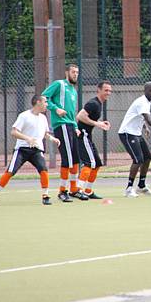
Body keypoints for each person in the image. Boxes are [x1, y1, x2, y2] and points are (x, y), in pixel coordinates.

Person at [0, 95, 60, 206]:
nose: (47, 104)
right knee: (11, 171)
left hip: (36, 150)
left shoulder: (43, 118)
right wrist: (28, 138)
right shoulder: (24, 116)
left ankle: (45, 196)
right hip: (22, 150)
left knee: (43, 170)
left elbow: (45, 134)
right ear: (38, 102)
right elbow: (14, 132)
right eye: (45, 102)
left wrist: (53, 139)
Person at [42, 64, 86, 202]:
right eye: (73, 72)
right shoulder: (59, 84)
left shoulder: (73, 90)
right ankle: (62, 191)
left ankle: (73, 190)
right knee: (67, 159)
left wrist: (75, 126)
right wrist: (56, 109)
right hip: (61, 126)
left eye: (77, 72)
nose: (75, 74)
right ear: (67, 72)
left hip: (71, 127)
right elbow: (44, 97)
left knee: (76, 159)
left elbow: (72, 113)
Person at [76, 81, 112, 199]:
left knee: (96, 164)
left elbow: (89, 119)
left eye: (109, 90)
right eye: (106, 90)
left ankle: (88, 190)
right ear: (99, 90)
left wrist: (100, 123)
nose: (108, 93)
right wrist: (97, 124)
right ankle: (78, 190)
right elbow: (80, 116)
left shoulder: (99, 104)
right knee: (89, 163)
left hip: (87, 136)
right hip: (83, 136)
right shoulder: (93, 103)